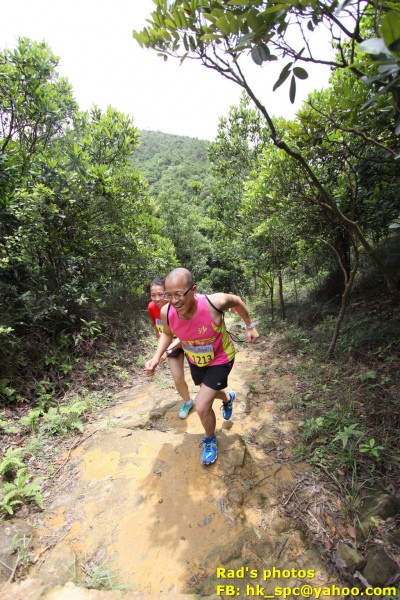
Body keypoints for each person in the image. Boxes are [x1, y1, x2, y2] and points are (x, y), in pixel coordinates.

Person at [145, 268, 259, 465]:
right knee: (208, 392)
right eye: (168, 295)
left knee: (201, 404)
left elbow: (237, 301)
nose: (174, 301)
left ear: (194, 289)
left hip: (221, 357)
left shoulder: (214, 302)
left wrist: (250, 326)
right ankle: (228, 398)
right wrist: (156, 357)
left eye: (179, 294)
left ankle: (209, 439)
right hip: (196, 359)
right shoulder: (167, 312)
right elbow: (167, 333)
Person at [147, 276, 194, 419]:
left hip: (190, 342)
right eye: (153, 295)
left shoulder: (179, 306)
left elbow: (185, 335)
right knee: (177, 378)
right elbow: (158, 330)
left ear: (167, 293)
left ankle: (209, 400)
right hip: (172, 345)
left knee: (201, 376)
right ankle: (188, 402)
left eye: (161, 294)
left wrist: (166, 352)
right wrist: (159, 352)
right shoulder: (152, 308)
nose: (157, 299)